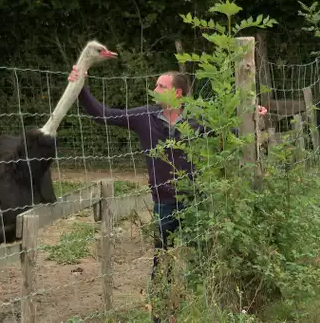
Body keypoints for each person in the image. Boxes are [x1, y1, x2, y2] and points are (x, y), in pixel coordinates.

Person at [67, 65, 267, 321]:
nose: (154, 90)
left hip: (197, 201)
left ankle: (205, 310)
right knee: (162, 262)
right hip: (164, 203)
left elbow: (232, 135)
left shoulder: (198, 119)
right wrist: (82, 88)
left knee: (203, 258)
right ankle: (161, 315)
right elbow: (104, 115)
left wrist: (253, 117)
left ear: (178, 93)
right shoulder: (145, 117)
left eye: (161, 86)